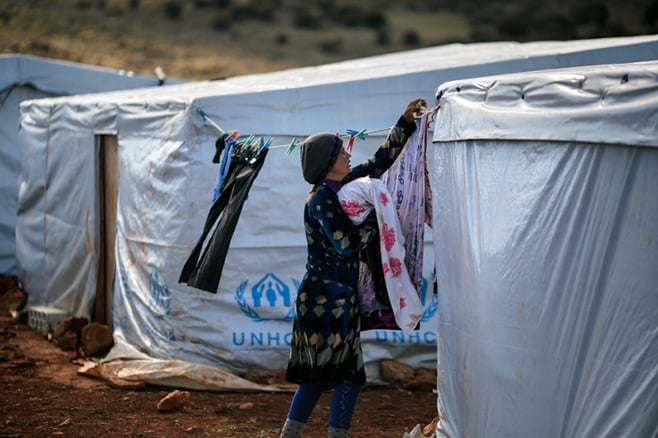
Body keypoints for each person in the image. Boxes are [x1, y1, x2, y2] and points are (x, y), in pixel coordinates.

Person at [280, 97, 427, 438]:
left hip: (339, 299)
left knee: (346, 377)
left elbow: (379, 162)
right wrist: (381, 221)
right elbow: (346, 242)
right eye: (341, 152)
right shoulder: (321, 200)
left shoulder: (344, 189)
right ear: (328, 161)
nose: (349, 155)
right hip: (323, 300)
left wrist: (404, 122)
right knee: (320, 376)